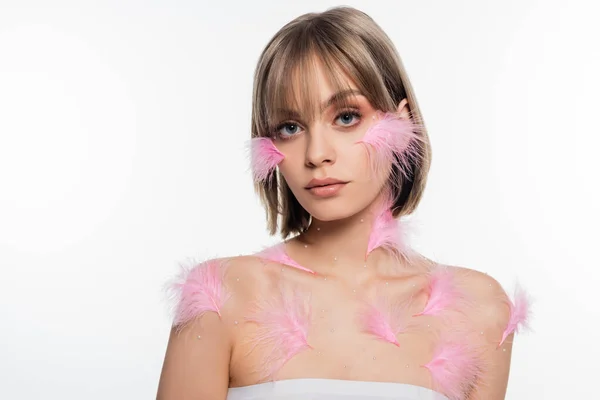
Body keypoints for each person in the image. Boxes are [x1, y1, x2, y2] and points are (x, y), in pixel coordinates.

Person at [156, 6, 530, 400]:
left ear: (403, 122)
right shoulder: (220, 297)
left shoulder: (475, 311)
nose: (316, 153)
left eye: (347, 117)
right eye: (290, 127)